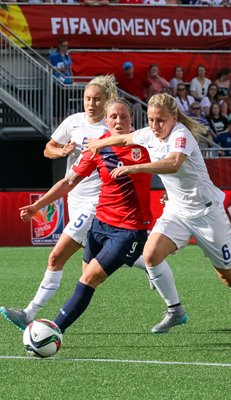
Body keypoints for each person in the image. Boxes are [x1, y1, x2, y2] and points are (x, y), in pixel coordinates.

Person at [87, 93, 231, 349]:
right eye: (150, 120)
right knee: (150, 255)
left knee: (229, 276)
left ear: (174, 118)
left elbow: (173, 163)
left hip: (206, 214)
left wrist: (133, 168)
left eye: (161, 120)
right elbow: (126, 138)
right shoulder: (149, 134)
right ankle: (175, 310)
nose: (155, 126)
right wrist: (98, 143)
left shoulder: (181, 135)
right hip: (176, 212)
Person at [18, 99, 188, 337]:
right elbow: (69, 182)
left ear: (132, 119)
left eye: (124, 116)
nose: (119, 121)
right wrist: (38, 205)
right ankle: (151, 266)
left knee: (89, 278)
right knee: (86, 276)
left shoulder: (147, 142)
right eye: (114, 117)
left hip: (129, 229)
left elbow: (175, 169)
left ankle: (51, 332)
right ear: (106, 121)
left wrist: (172, 198)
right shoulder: (97, 148)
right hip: (99, 225)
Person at [0, 77, 151, 331]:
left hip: (96, 205)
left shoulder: (112, 129)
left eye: (97, 99)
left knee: (57, 257)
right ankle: (146, 259)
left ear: (107, 102)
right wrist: (60, 152)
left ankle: (30, 313)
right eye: (88, 99)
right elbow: (49, 148)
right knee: (89, 265)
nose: (92, 104)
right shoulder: (74, 122)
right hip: (75, 199)